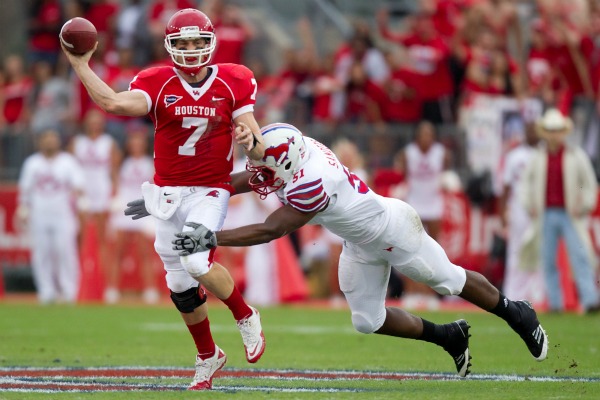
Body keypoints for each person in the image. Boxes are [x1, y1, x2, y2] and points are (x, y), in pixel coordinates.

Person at [169, 122, 549, 378]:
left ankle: (516, 312)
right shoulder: (292, 154)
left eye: (266, 170)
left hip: (393, 231)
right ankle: (448, 336)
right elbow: (246, 178)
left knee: (448, 280)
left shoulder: (312, 180)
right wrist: (185, 191)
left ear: (286, 163)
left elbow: (272, 229)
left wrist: (211, 238)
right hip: (360, 241)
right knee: (367, 320)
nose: (259, 176)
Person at [61, 8, 266, 390]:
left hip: (210, 190)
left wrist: (249, 141)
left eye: (197, 42)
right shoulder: (156, 81)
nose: (190, 50)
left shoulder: (234, 79)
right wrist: (80, 64)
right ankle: (208, 355)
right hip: (167, 193)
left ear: (210, 43)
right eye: (182, 43)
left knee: (196, 260)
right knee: (178, 284)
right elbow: (114, 104)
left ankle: (245, 314)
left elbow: (258, 147)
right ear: (170, 46)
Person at [519, 108, 600, 314]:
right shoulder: (538, 156)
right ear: (545, 132)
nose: (554, 135)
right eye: (550, 130)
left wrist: (584, 205)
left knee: (580, 257)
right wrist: (529, 205)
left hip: (570, 214)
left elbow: (589, 183)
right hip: (546, 214)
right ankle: (555, 303)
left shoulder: (575, 155)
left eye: (557, 130)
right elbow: (525, 183)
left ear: (562, 132)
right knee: (547, 260)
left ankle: (590, 300)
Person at [17, 129, 85, 304]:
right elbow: (25, 189)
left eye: (53, 139)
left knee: (65, 251)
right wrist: (23, 208)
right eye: (46, 139)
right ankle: (46, 291)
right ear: (40, 142)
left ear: (58, 142)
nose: (50, 142)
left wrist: (77, 196)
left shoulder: (68, 162)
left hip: (63, 214)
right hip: (39, 214)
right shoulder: (32, 163)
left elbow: (79, 185)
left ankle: (70, 290)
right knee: (42, 253)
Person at [498, 122, 545, 306]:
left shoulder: (544, 154)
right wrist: (502, 212)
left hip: (540, 209)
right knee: (516, 250)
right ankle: (513, 294)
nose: (532, 133)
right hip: (518, 210)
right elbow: (506, 186)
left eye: (535, 130)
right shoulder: (514, 156)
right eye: (529, 130)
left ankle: (538, 294)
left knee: (539, 251)